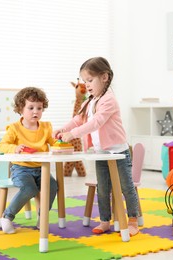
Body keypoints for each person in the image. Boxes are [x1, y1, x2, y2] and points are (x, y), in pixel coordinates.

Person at [53, 57, 139, 236]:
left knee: (126, 186)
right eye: (84, 81)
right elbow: (79, 119)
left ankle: (132, 219)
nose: (86, 85)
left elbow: (97, 122)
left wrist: (73, 134)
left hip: (118, 152)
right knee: (103, 187)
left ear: (105, 77)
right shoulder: (89, 101)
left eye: (90, 80)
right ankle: (105, 220)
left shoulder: (109, 100)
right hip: (101, 152)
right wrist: (64, 128)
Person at [0, 86, 58, 234]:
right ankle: (7, 216)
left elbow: (54, 142)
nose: (36, 111)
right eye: (31, 107)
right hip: (21, 169)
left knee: (52, 186)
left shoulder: (46, 127)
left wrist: (62, 143)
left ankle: (42, 217)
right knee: (29, 189)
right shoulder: (14, 128)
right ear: (20, 109)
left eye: (39, 108)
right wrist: (15, 148)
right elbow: (2, 145)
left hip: (41, 169)